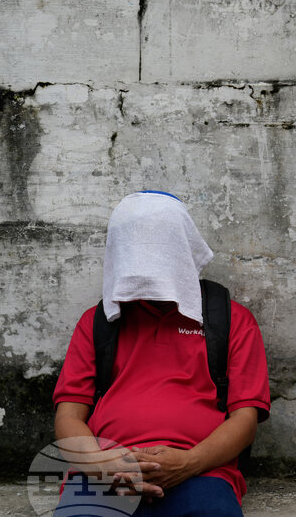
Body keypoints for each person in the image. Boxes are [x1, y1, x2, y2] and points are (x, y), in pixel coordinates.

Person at [52, 191, 270, 515]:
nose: (144, 260)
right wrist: (106, 464)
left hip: (202, 474)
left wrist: (188, 463)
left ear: (181, 248)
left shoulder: (230, 320)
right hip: (104, 478)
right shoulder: (98, 323)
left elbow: (245, 419)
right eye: (134, 246)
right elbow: (68, 417)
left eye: (156, 245)